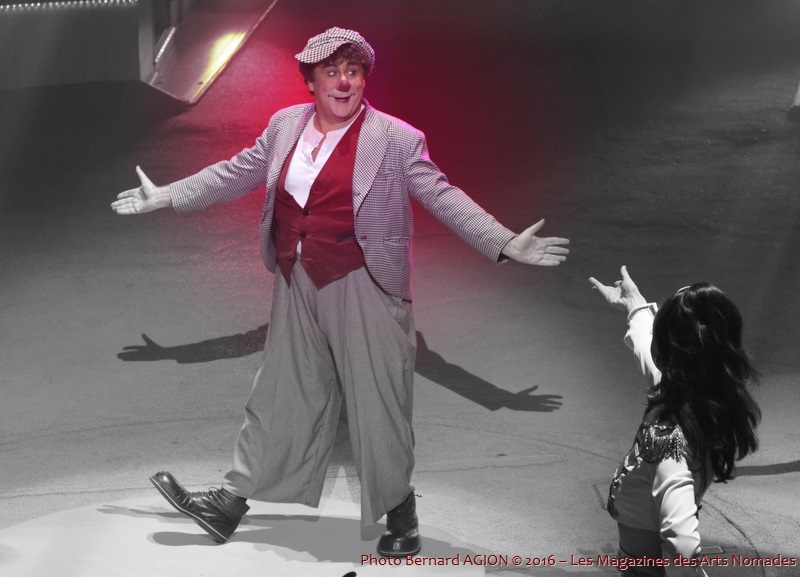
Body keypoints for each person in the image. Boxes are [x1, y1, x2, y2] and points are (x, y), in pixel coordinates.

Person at [111, 27, 570, 557]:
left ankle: (402, 513)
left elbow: (443, 195)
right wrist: (168, 195)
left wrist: (504, 242)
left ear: (363, 80)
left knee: (379, 402)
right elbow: (238, 172)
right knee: (278, 391)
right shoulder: (285, 125)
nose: (344, 82)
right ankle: (229, 503)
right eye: (331, 72)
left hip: (364, 282)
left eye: (353, 72)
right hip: (295, 279)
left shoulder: (395, 138)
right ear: (311, 81)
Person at [589, 266, 761, 576]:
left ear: (665, 353)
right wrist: (635, 304)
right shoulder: (705, 395)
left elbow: (682, 544)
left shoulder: (668, 441)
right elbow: (646, 352)